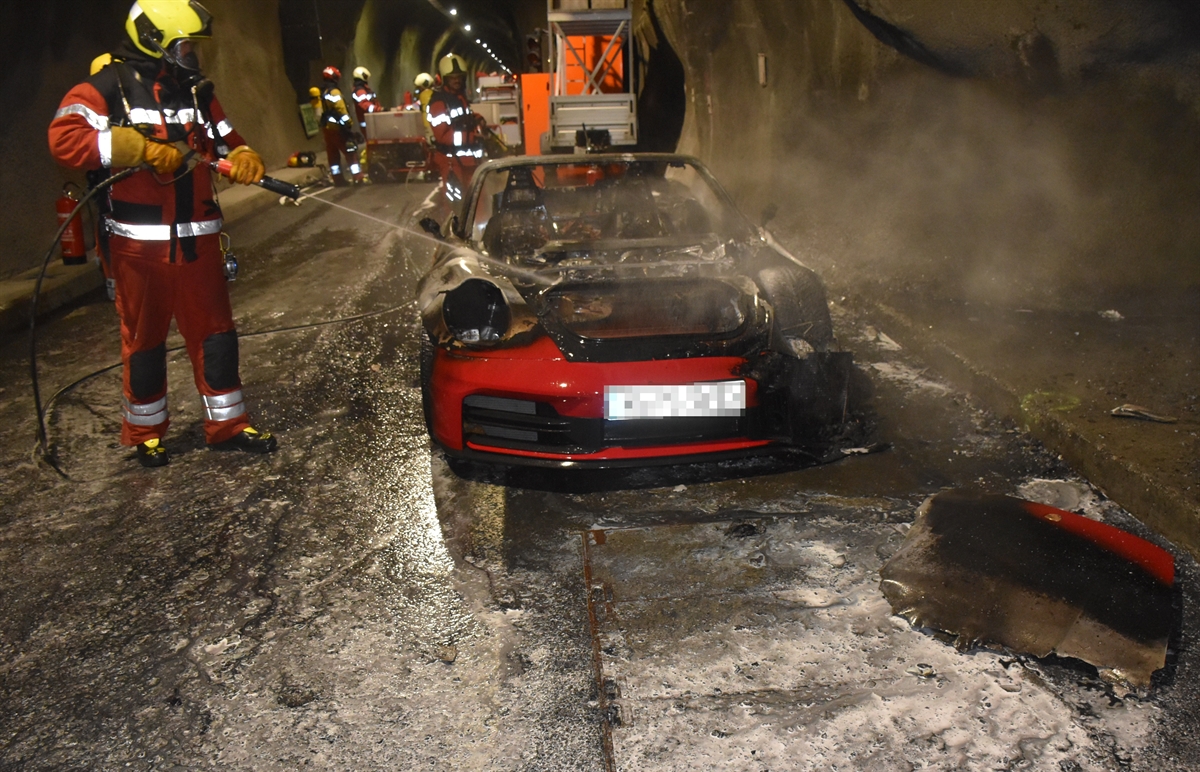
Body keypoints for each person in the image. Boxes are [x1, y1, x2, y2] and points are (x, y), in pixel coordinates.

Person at [47, 0, 277, 468]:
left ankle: (229, 425)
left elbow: (227, 138)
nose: (191, 54)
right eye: (183, 45)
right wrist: (135, 147)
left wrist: (244, 154)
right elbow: (64, 139)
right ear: (154, 40)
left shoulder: (196, 92)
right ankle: (146, 432)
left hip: (199, 244)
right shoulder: (105, 88)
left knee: (217, 337)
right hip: (139, 248)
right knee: (144, 342)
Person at [426, 55, 484, 204]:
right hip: (451, 162)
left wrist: (477, 118)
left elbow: (463, 117)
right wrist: (471, 137)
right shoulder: (439, 103)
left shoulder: (459, 98)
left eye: (459, 77)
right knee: (456, 204)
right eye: (452, 78)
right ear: (444, 79)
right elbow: (442, 136)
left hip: (469, 161)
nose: (457, 81)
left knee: (477, 201)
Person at [319, 65, 364, 185]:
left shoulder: (323, 92)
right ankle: (358, 177)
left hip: (327, 128)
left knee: (333, 155)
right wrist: (348, 123)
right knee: (350, 152)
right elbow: (341, 109)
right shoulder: (334, 92)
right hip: (338, 128)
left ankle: (338, 179)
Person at [350, 66, 383, 136]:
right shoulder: (360, 91)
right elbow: (365, 104)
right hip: (368, 123)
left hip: (371, 122)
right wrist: (379, 109)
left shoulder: (363, 89)